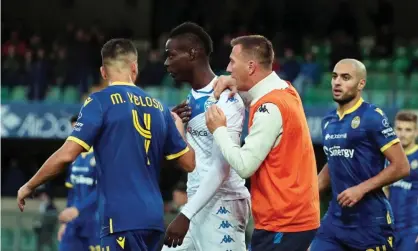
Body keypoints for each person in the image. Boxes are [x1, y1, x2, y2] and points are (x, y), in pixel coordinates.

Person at [17, 38, 196, 251]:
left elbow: (66, 155)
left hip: (120, 220)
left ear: (103, 72)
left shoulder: (99, 102)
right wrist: (178, 128)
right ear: (134, 67)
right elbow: (189, 163)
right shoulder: (159, 108)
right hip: (154, 220)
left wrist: (30, 185)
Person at [205, 35, 320, 251]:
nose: (228, 68)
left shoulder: (271, 106)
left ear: (250, 67)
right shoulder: (285, 89)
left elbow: (245, 166)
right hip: (291, 220)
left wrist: (219, 129)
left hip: (284, 223)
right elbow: (258, 99)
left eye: (232, 62)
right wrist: (236, 85)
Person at [162, 22, 251, 251]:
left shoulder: (226, 98)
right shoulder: (190, 100)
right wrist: (176, 127)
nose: (166, 63)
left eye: (172, 55)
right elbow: (193, 162)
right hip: (197, 202)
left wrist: (185, 215)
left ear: (193, 53)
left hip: (223, 203)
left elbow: (222, 168)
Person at [309, 59, 410, 251]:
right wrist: (305, 195)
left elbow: (401, 166)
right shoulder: (328, 120)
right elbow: (333, 162)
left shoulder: (372, 116)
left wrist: (360, 189)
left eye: (345, 78)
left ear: (361, 84)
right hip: (335, 221)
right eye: (334, 76)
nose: (337, 82)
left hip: (370, 222)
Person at [57, 115, 100, 251]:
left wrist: (78, 209)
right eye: (73, 129)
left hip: (96, 222)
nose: (76, 133)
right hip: (74, 223)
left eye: (79, 128)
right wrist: (65, 222)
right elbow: (72, 192)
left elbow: (103, 190)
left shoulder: (101, 155)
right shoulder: (74, 158)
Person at [387, 111, 418, 251]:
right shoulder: (387, 157)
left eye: (408, 130)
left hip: (411, 230)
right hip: (388, 230)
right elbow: (384, 190)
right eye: (399, 129)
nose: (403, 134)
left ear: (416, 132)